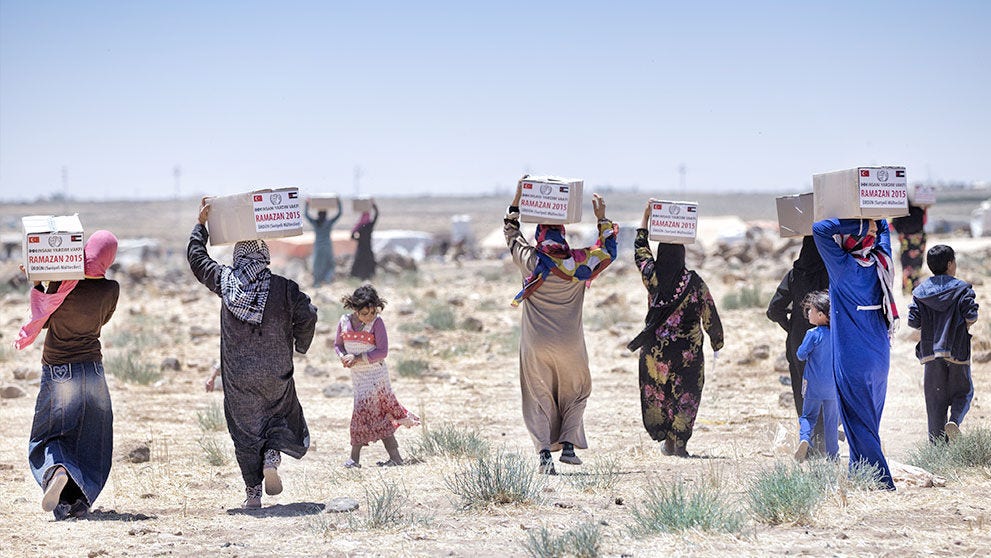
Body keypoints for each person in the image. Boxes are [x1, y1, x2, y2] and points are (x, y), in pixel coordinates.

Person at [188, 199, 318, 509]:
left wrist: (200, 226)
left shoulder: (224, 281)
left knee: (245, 430)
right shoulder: (285, 289)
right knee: (278, 413)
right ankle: (272, 455)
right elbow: (309, 314)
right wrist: (298, 343)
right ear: (264, 256)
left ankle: (253, 494)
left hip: (239, 378)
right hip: (276, 372)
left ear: (237, 258)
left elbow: (196, 259)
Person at [505, 178, 617, 474]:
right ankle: (568, 446)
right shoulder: (580, 264)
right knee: (577, 390)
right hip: (571, 344)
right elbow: (608, 252)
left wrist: (517, 199)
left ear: (540, 236)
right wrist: (601, 217)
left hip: (535, 344)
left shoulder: (530, 260)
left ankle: (544, 455)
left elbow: (511, 233)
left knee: (537, 394)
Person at [15, 231, 119, 520]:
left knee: (51, 433)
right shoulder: (111, 289)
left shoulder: (63, 283)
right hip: (93, 370)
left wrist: (39, 281)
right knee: (90, 437)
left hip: (59, 369)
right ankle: (75, 502)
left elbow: (44, 319)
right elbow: (104, 319)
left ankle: (57, 470)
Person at [629, 202, 724, 457]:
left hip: (655, 351)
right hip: (688, 352)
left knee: (659, 393)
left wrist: (645, 219)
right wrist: (717, 341)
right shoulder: (695, 282)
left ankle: (665, 440)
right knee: (687, 393)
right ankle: (679, 443)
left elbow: (640, 252)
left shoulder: (653, 277)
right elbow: (709, 313)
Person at [812, 218, 897, 490]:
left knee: (859, 421)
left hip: (853, 355)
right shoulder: (882, 261)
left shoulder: (843, 268)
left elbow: (820, 229)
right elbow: (883, 225)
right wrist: (872, 220)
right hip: (880, 353)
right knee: (868, 418)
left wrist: (859, 222)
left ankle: (883, 481)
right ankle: (859, 474)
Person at [334, 285, 419, 468]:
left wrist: (357, 357)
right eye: (365, 313)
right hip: (358, 377)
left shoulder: (377, 323)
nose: (369, 316)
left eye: (372, 312)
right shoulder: (344, 322)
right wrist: (343, 357)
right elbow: (338, 345)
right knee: (376, 414)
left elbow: (382, 351)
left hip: (376, 376)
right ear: (355, 309)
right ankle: (395, 458)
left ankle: (354, 460)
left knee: (364, 413)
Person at [907, 244, 979, 442]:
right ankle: (954, 420)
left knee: (935, 402)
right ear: (950, 264)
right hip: (957, 350)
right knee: (963, 392)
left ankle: (937, 449)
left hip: (931, 353)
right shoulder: (963, 289)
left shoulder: (920, 292)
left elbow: (913, 321)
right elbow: (971, 315)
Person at [766, 236, 830, 450]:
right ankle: (825, 440)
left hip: (799, 341)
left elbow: (774, 309)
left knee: (803, 389)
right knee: (828, 389)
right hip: (829, 342)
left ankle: (808, 438)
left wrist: (792, 327)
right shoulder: (832, 272)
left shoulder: (794, 276)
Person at [793, 291, 840, 462]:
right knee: (831, 421)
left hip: (812, 384)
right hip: (832, 385)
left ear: (820, 315)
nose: (808, 313)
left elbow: (801, 355)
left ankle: (805, 438)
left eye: (811, 310)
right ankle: (834, 456)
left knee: (808, 416)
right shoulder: (836, 334)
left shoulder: (812, 334)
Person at [891, 203, 928, 294]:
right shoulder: (919, 210)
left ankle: (907, 290)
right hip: (918, 241)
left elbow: (893, 225)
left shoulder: (900, 211)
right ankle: (915, 288)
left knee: (906, 266)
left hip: (906, 242)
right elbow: (924, 221)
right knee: (917, 266)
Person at [305, 199, 343, 287]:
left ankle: (317, 283)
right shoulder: (328, 223)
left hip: (318, 247)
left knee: (317, 266)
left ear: (318, 214)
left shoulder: (315, 223)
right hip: (327, 247)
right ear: (326, 215)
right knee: (329, 264)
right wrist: (338, 202)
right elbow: (339, 214)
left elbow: (306, 215)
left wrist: (307, 204)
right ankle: (327, 281)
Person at [350, 202, 378, 280]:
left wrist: (359, 239)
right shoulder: (370, 225)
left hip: (361, 248)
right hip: (368, 247)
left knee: (358, 263)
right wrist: (374, 206)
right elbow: (376, 216)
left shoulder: (360, 226)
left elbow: (352, 236)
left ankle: (355, 277)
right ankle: (369, 277)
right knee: (370, 263)